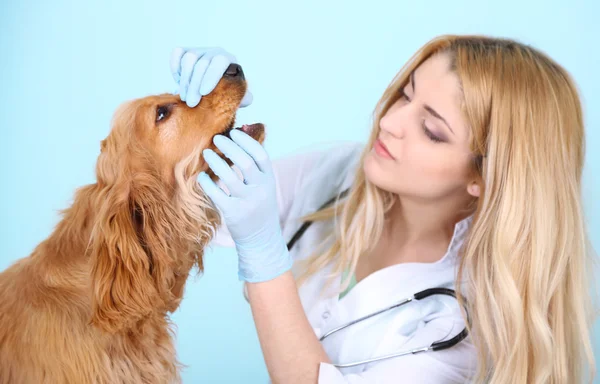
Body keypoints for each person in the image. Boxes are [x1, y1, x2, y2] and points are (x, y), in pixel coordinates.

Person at [169, 36, 597, 383]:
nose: (391, 122)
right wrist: (209, 108)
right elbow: (180, 213)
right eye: (405, 95)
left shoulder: (466, 330)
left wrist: (264, 258)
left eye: (431, 130)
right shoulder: (339, 175)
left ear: (484, 178)